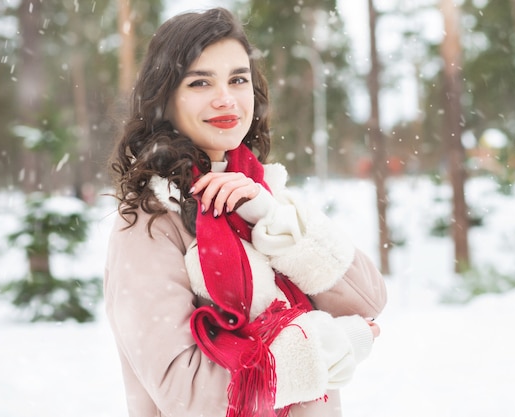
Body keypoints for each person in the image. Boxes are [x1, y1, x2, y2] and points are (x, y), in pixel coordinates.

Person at [104, 7, 387, 417]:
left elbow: (368, 300)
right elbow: (192, 394)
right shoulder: (151, 221)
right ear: (165, 100)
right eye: (200, 82)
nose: (226, 98)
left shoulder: (264, 191)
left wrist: (274, 221)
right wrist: (327, 347)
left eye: (238, 79)